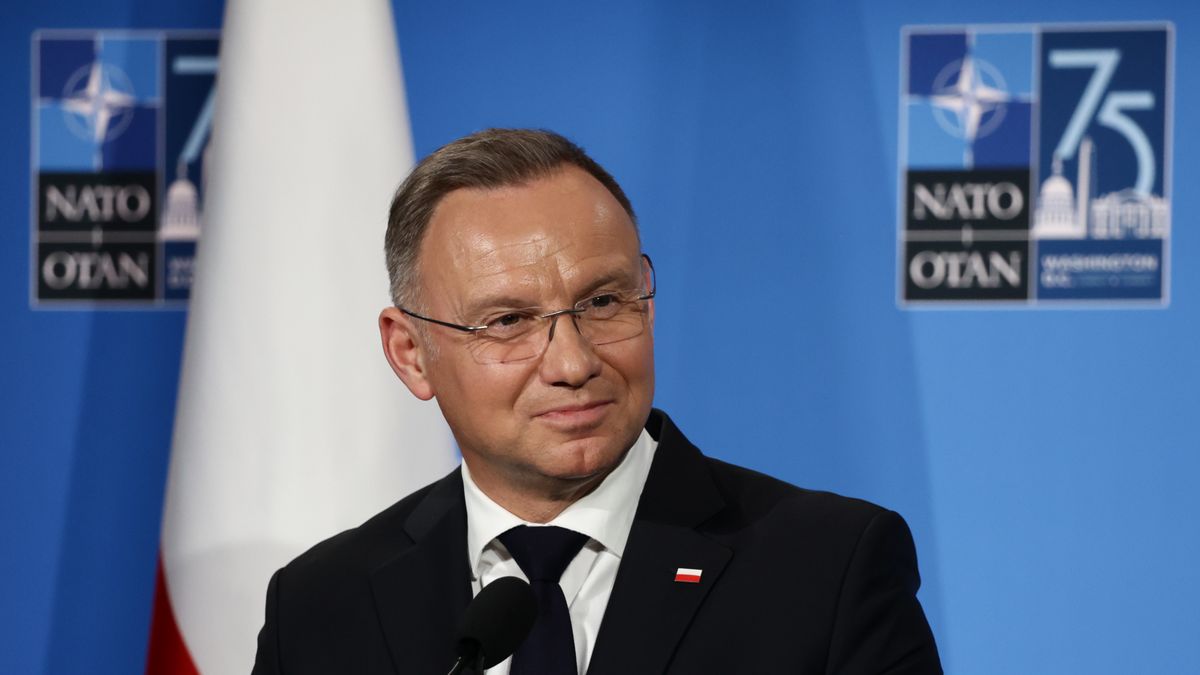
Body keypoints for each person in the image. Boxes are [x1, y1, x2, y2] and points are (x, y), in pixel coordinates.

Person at [252, 128, 942, 674]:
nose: (574, 362)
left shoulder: (826, 570)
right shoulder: (320, 604)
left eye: (604, 301)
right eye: (509, 320)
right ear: (410, 353)